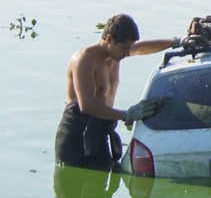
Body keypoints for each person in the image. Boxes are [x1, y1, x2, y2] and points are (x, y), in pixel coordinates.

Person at [55, 14, 179, 170]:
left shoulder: (116, 53)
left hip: (100, 131)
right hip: (76, 135)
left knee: (103, 187)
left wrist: (175, 42)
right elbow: (86, 104)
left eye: (129, 47)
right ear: (108, 39)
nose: (127, 53)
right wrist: (126, 115)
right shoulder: (84, 59)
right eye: (124, 48)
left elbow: (141, 48)